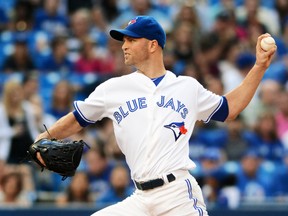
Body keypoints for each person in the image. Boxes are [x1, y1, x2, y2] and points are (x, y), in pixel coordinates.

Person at [35, 16, 276, 215]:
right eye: (124, 40)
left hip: (177, 196)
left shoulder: (187, 87)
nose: (124, 45)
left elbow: (229, 109)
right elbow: (77, 118)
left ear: (152, 45)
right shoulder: (113, 88)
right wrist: (43, 137)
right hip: (139, 198)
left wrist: (259, 67)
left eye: (131, 39)